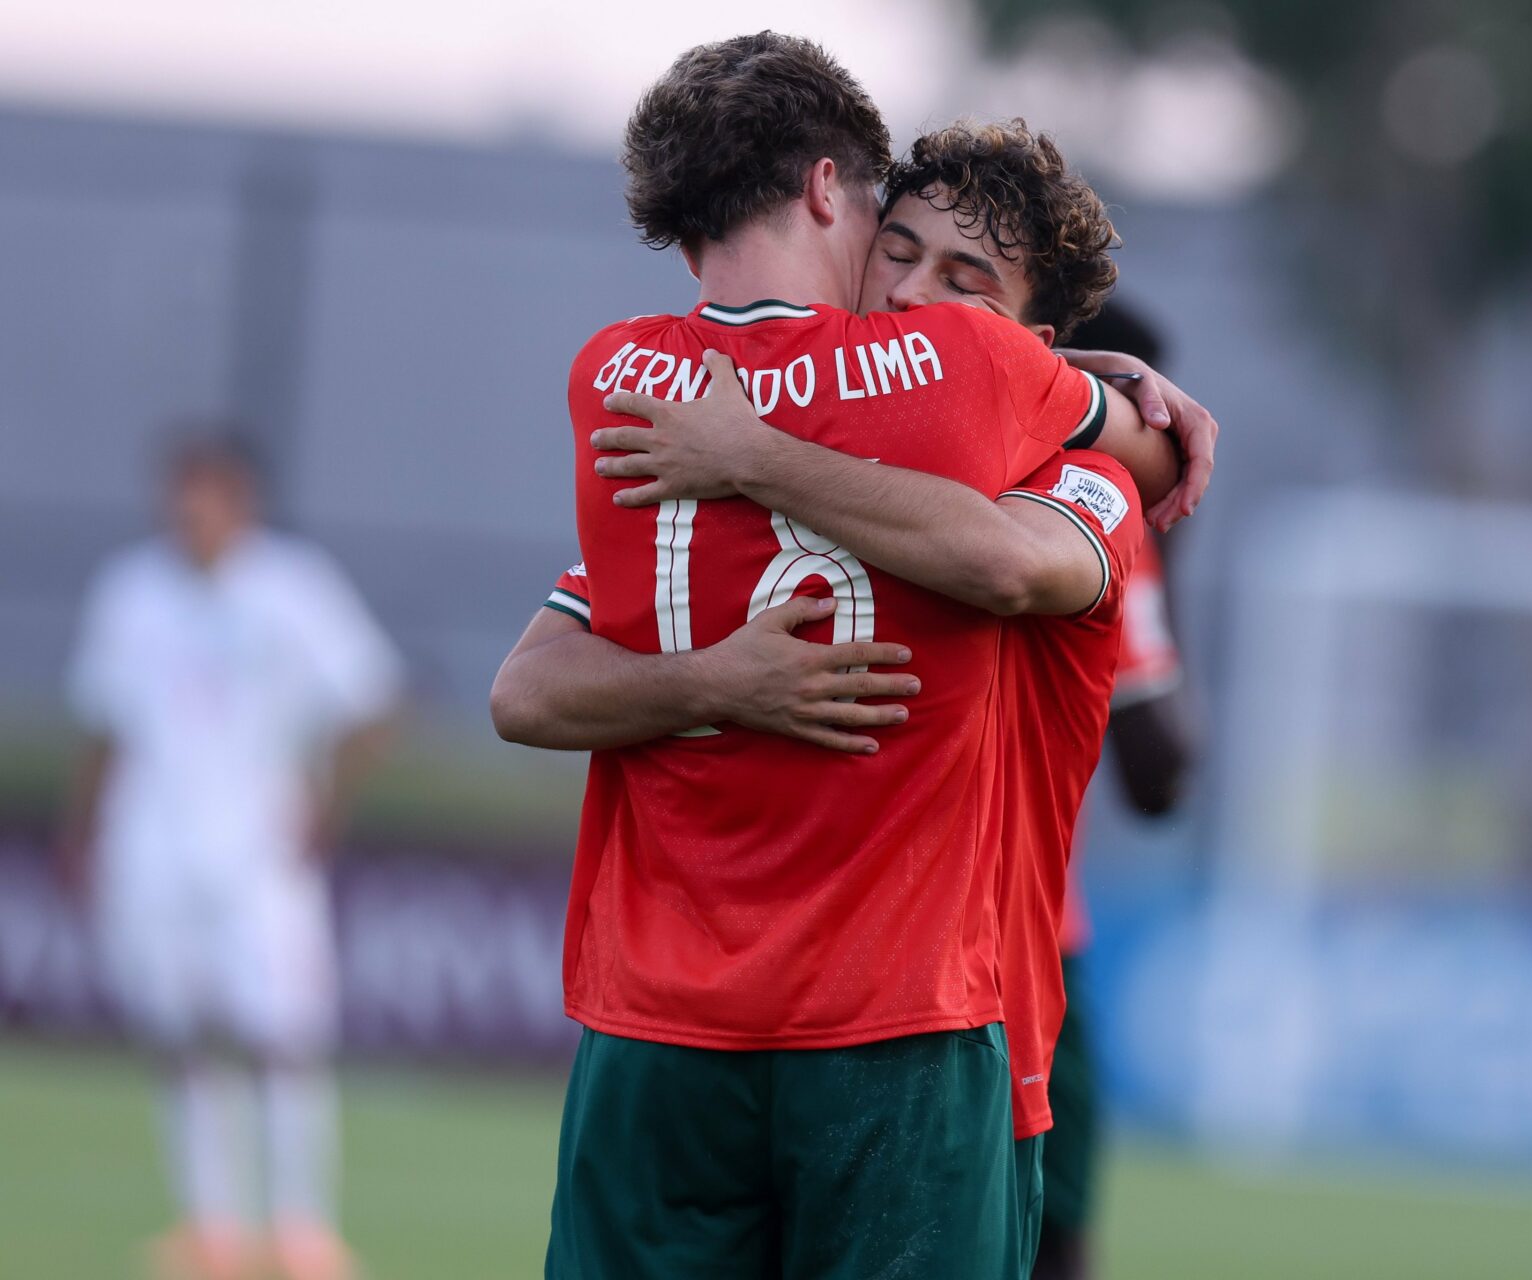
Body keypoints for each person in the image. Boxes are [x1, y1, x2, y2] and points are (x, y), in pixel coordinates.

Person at [505, 39, 1205, 1274]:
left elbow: (525, 688)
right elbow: (1066, 508)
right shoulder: (980, 381)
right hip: (910, 1020)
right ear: (830, 189)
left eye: (965, 278)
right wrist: (1124, 393)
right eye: (901, 245)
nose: (918, 292)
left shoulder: (628, 387)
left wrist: (749, 460)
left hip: (665, 1027)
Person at [61, 431, 402, 1280]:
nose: (190, 509)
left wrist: (325, 807)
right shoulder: (130, 591)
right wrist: (83, 829)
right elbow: (103, 723)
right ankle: (211, 1224)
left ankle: (301, 1229)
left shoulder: (294, 588)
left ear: (242, 499)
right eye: (181, 491)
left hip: (258, 850)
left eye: (207, 491)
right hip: (150, 846)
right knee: (178, 1033)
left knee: (282, 1034)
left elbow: (372, 700)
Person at [1030, 301, 1197, 1280]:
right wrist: (1169, 572)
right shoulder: (1086, 507)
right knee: (1046, 1246)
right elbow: (1157, 773)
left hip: (844, 931)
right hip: (1022, 951)